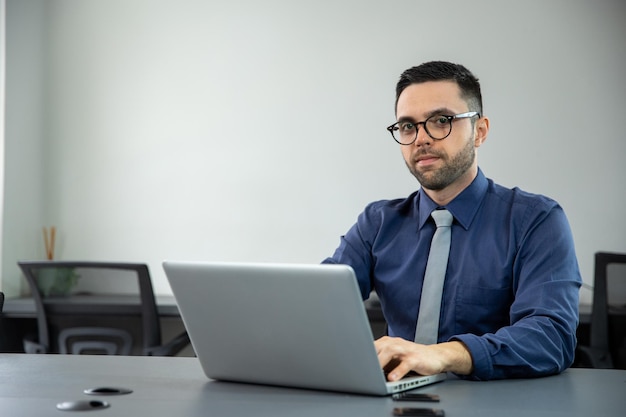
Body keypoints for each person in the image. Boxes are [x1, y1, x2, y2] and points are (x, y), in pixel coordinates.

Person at [323, 61, 582, 381]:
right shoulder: (377, 223)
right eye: (407, 126)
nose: (421, 138)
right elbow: (321, 300)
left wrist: (445, 355)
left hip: (495, 402)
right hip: (393, 396)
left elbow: (551, 337)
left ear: (480, 131)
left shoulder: (536, 221)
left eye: (441, 121)